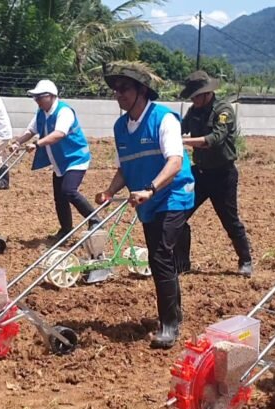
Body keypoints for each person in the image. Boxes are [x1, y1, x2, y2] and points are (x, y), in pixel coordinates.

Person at [96, 61, 195, 349]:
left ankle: (170, 324)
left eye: (124, 88)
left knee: (160, 255)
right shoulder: (120, 127)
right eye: (115, 89)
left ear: (142, 91)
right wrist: (108, 190)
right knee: (159, 254)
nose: (119, 94)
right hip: (147, 200)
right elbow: (125, 169)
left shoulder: (164, 119)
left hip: (174, 193)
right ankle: (174, 308)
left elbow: (175, 162)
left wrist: (151, 189)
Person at [180, 70, 253, 277]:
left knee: (230, 220)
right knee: (179, 215)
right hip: (200, 174)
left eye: (196, 96)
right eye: (192, 97)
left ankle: (245, 260)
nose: (193, 100)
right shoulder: (194, 110)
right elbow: (180, 128)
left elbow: (215, 139)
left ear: (207, 93)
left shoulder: (223, 110)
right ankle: (182, 263)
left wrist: (184, 142)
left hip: (223, 176)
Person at [10, 79, 100, 240]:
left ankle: (94, 218)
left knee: (69, 191)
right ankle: (66, 229)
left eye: (39, 97)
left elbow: (60, 133)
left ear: (51, 96)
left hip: (76, 158)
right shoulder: (41, 113)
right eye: (35, 97)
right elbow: (31, 130)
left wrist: (38, 144)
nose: (36, 100)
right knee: (59, 196)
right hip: (60, 161)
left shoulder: (64, 111)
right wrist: (18, 142)